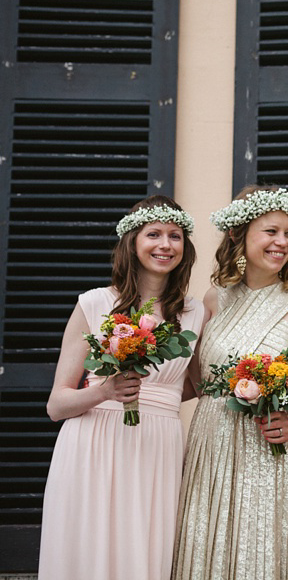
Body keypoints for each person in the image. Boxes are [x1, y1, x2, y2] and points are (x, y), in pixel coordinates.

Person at [38, 196, 205, 580]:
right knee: (88, 552)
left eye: (175, 236)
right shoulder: (95, 304)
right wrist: (105, 391)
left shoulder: (195, 312)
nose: (166, 244)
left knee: (144, 553)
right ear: (132, 242)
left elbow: (198, 384)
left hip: (158, 446)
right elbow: (56, 404)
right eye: (154, 234)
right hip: (94, 442)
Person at [172, 186, 288, 580]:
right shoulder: (213, 299)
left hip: (270, 449)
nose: (282, 242)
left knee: (263, 550)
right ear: (240, 234)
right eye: (271, 231)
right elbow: (194, 381)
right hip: (212, 443)